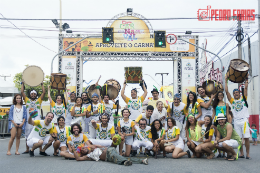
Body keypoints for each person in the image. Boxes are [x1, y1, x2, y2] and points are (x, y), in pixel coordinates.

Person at [225, 75, 251, 159]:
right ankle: (241, 153)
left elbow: (246, 88)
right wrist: (226, 80)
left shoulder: (243, 99)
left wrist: (246, 79)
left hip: (244, 121)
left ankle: (248, 154)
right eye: (234, 93)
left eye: (237, 93)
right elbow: (226, 92)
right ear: (233, 95)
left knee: (246, 138)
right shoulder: (232, 101)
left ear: (239, 93)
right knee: (239, 139)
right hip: (236, 121)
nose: (236, 94)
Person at [21, 82, 45, 154]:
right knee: (27, 134)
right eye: (32, 94)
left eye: (34, 94)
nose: (33, 95)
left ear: (36, 95)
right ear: (30, 95)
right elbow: (22, 92)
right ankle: (27, 149)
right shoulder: (27, 100)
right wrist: (23, 83)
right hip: (29, 121)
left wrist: (42, 84)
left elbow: (44, 92)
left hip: (37, 121)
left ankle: (40, 150)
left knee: (39, 134)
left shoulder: (38, 101)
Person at [72, 145, 148, 166]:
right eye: (81, 151)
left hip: (110, 150)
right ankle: (142, 160)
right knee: (118, 158)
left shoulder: (92, 147)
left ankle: (124, 162)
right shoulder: (87, 157)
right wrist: (74, 150)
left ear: (85, 147)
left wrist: (105, 148)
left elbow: (101, 146)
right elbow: (78, 158)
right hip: (108, 158)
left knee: (115, 156)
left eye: (83, 148)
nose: (83, 150)